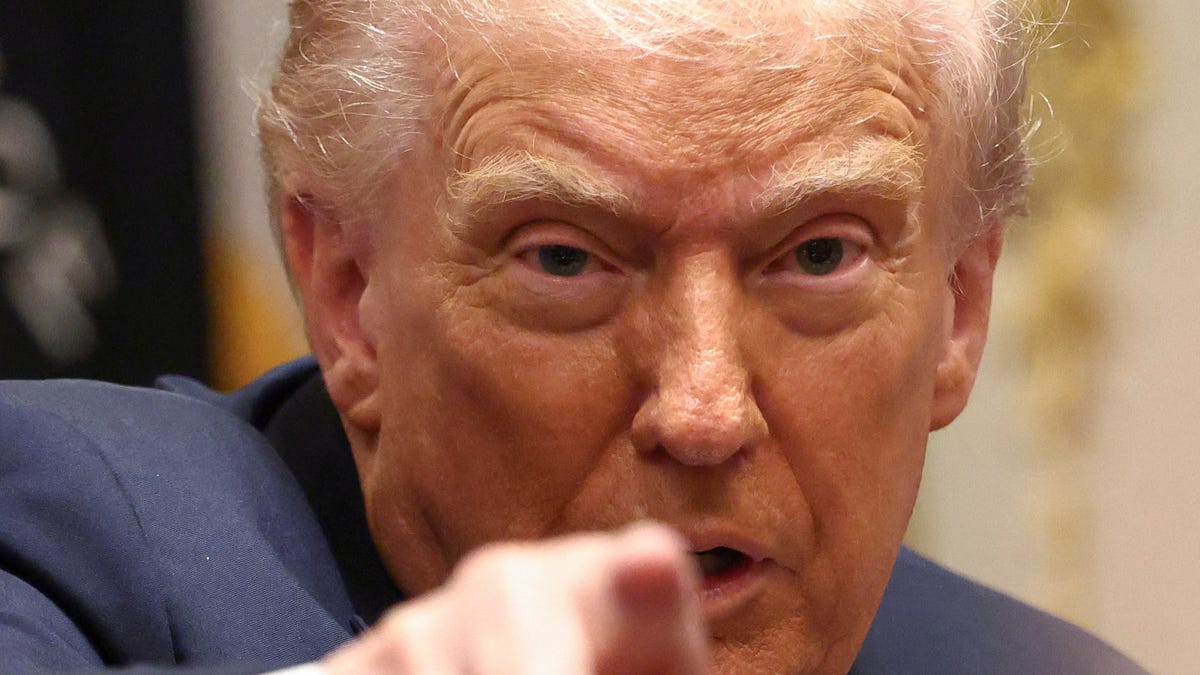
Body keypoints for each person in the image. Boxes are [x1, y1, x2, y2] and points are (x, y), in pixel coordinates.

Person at [0, 0, 1146, 673]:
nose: (702, 410)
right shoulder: (61, 545)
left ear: (961, 303)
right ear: (350, 295)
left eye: (818, 254)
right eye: (562, 258)